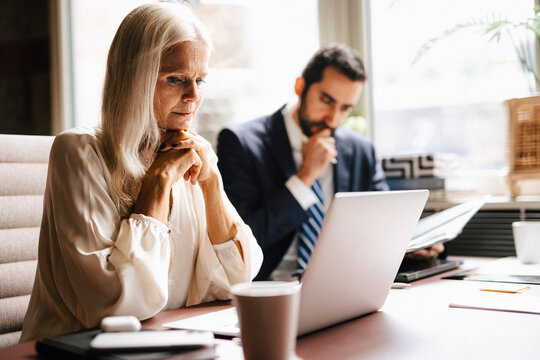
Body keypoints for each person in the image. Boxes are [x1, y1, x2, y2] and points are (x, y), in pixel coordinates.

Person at [20, 2, 262, 343]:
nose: (193, 96)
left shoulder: (186, 154)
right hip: (78, 350)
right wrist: (159, 182)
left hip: (163, 343)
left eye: (200, 80)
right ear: (135, 78)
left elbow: (237, 281)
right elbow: (116, 307)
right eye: (175, 79)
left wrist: (211, 182)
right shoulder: (79, 153)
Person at [217, 44, 442, 281]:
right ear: (300, 87)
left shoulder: (359, 150)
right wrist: (304, 178)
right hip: (270, 288)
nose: (333, 119)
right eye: (326, 100)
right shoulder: (241, 142)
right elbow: (239, 246)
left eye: (344, 108)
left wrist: (411, 247)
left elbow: (382, 229)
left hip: (344, 284)